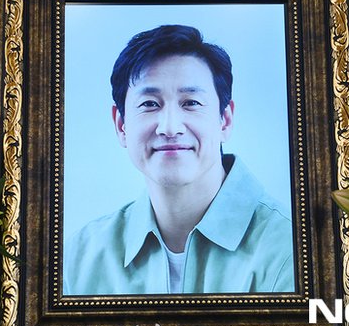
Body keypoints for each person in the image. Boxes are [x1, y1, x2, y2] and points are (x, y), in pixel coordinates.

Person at [63, 25, 294, 295]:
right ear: (121, 125)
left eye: (191, 103)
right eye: (150, 104)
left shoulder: (291, 247)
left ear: (225, 120)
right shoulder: (80, 257)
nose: (170, 128)